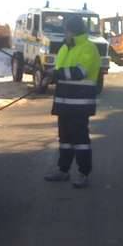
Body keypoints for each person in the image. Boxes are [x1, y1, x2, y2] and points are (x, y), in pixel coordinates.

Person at [43, 15, 101, 188]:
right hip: (64, 103)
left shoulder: (88, 49)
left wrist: (57, 74)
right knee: (65, 139)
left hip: (80, 105)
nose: (65, 33)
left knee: (80, 141)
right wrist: (50, 76)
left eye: (66, 30)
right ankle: (63, 171)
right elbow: (61, 71)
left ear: (73, 31)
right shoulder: (64, 48)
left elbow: (79, 72)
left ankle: (84, 173)